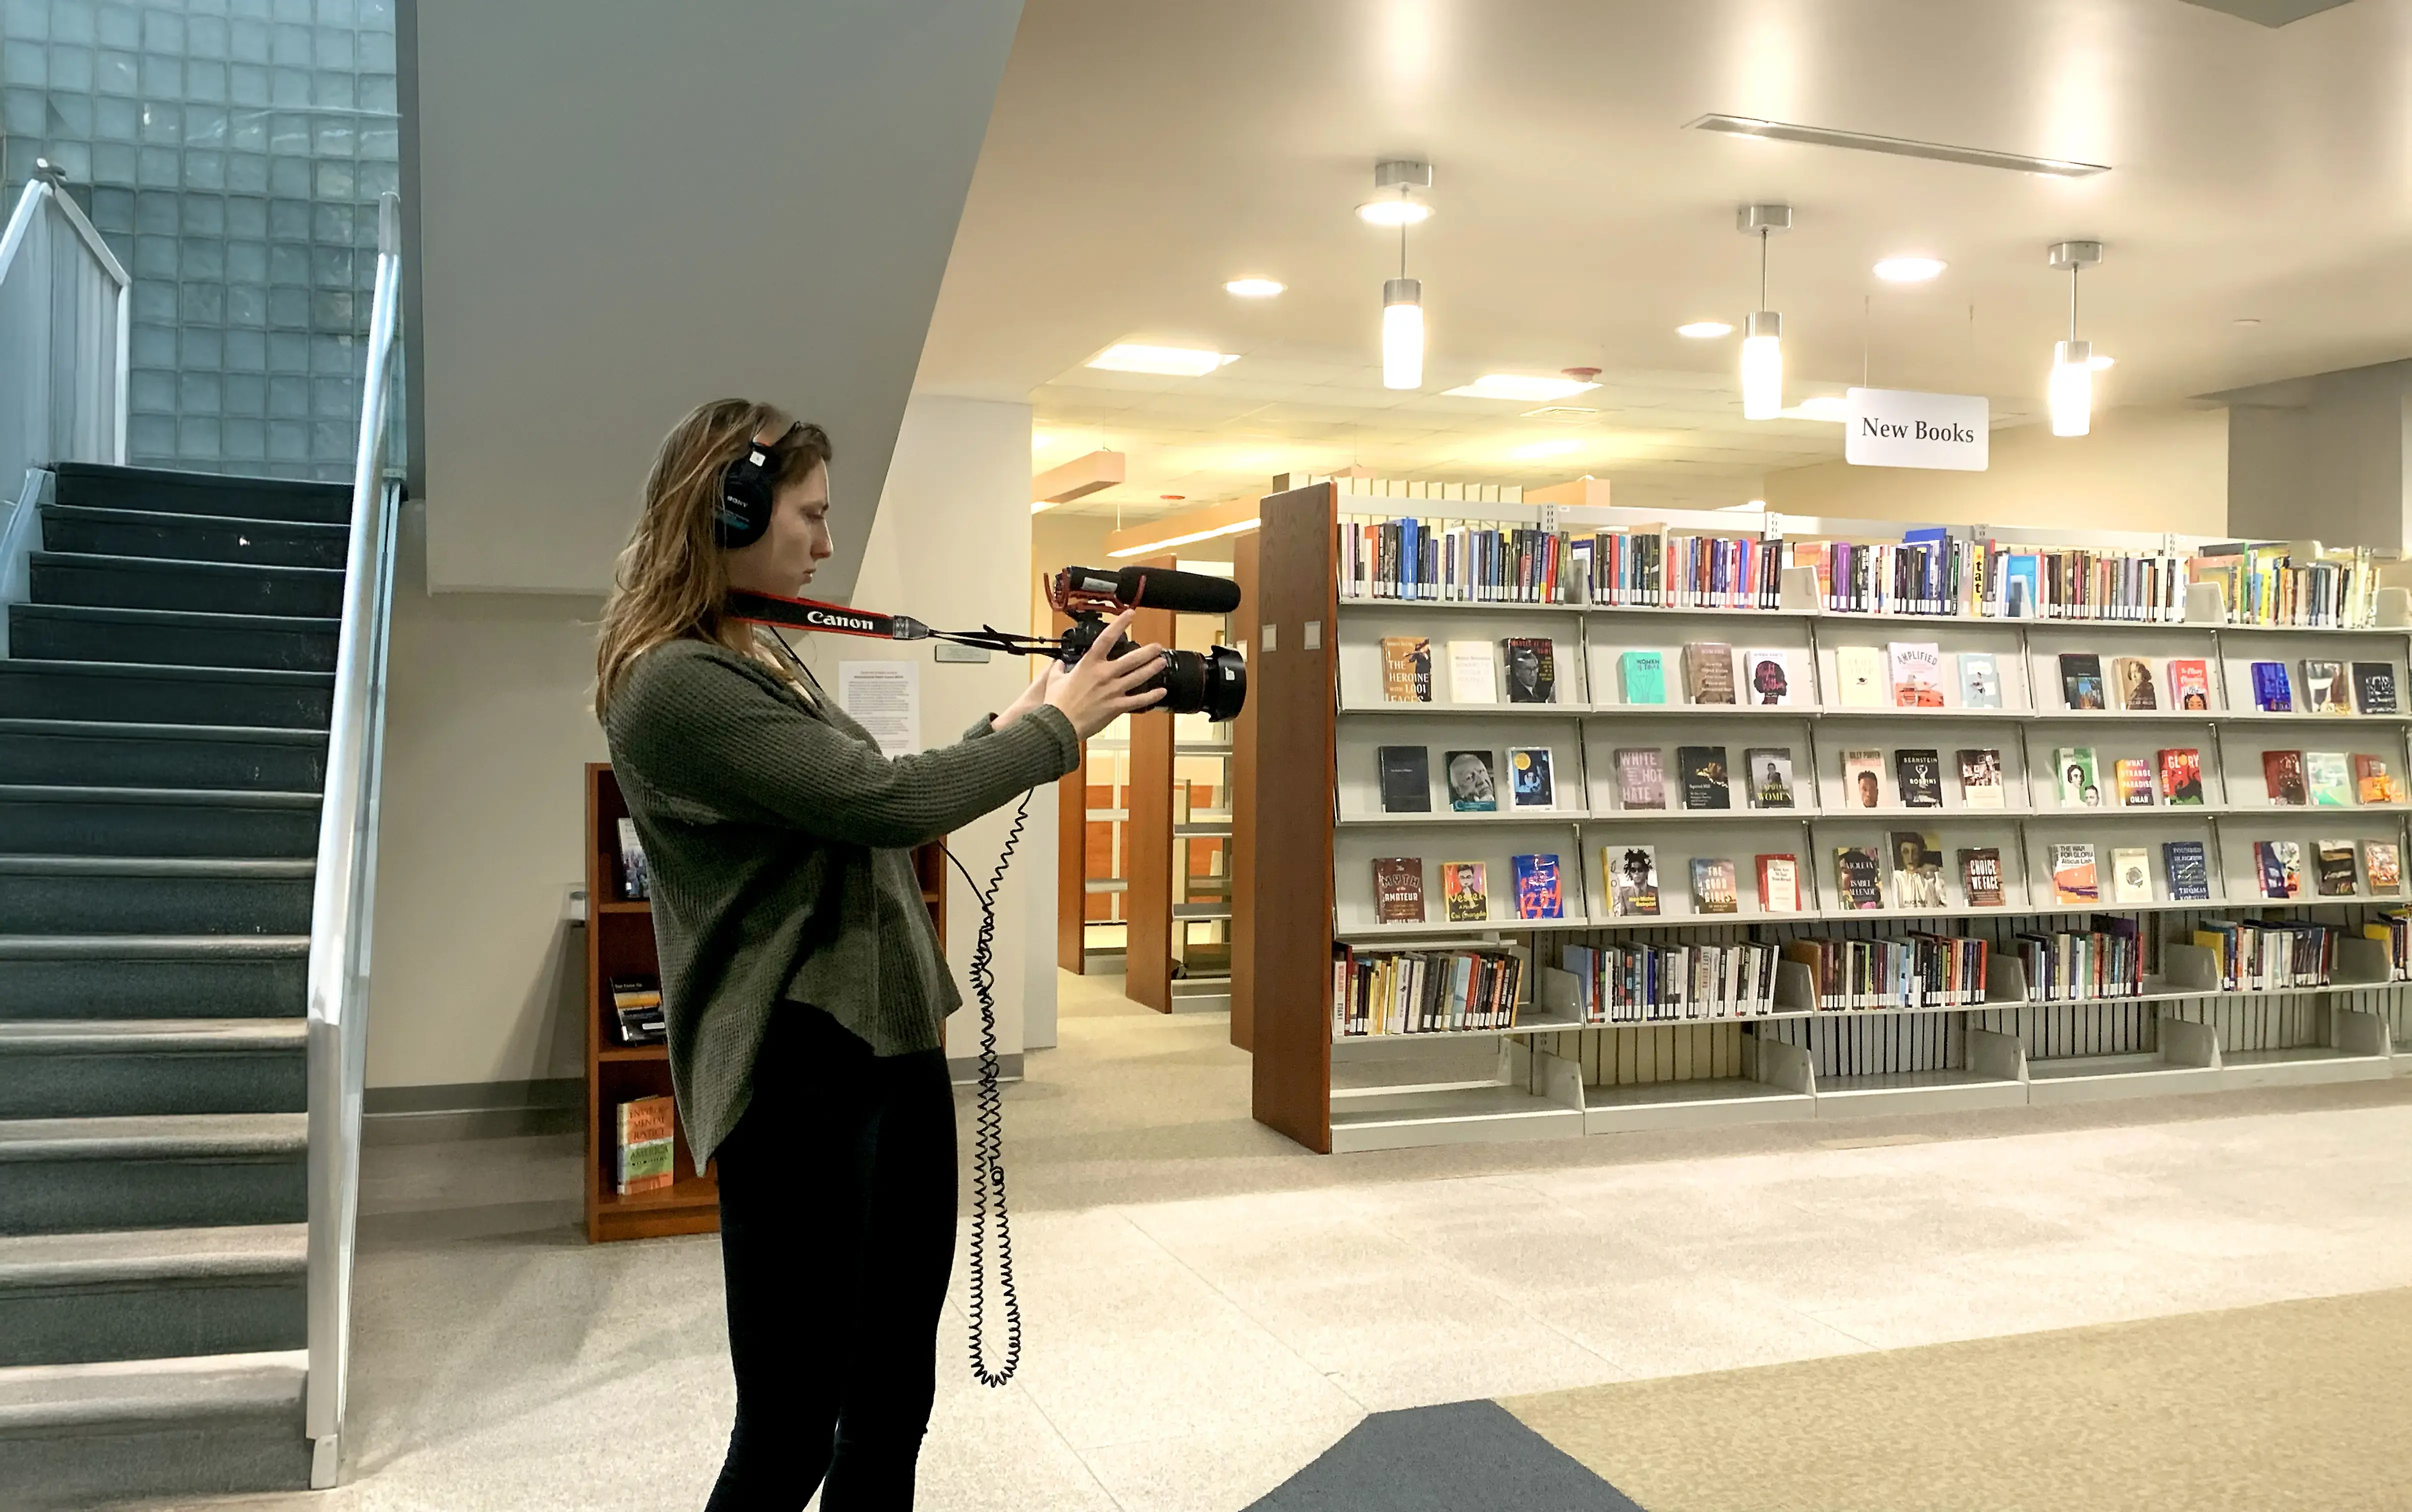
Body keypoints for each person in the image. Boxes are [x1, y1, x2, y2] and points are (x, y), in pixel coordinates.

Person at [593, 400, 1168, 1511]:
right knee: (792, 1431)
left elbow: (875, 809)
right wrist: (1058, 733)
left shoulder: (750, 652)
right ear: (733, 510)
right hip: (802, 1074)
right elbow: (874, 799)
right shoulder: (675, 682)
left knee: (890, 1406)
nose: (824, 540)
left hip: (880, 1050)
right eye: (809, 515)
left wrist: (1006, 731)